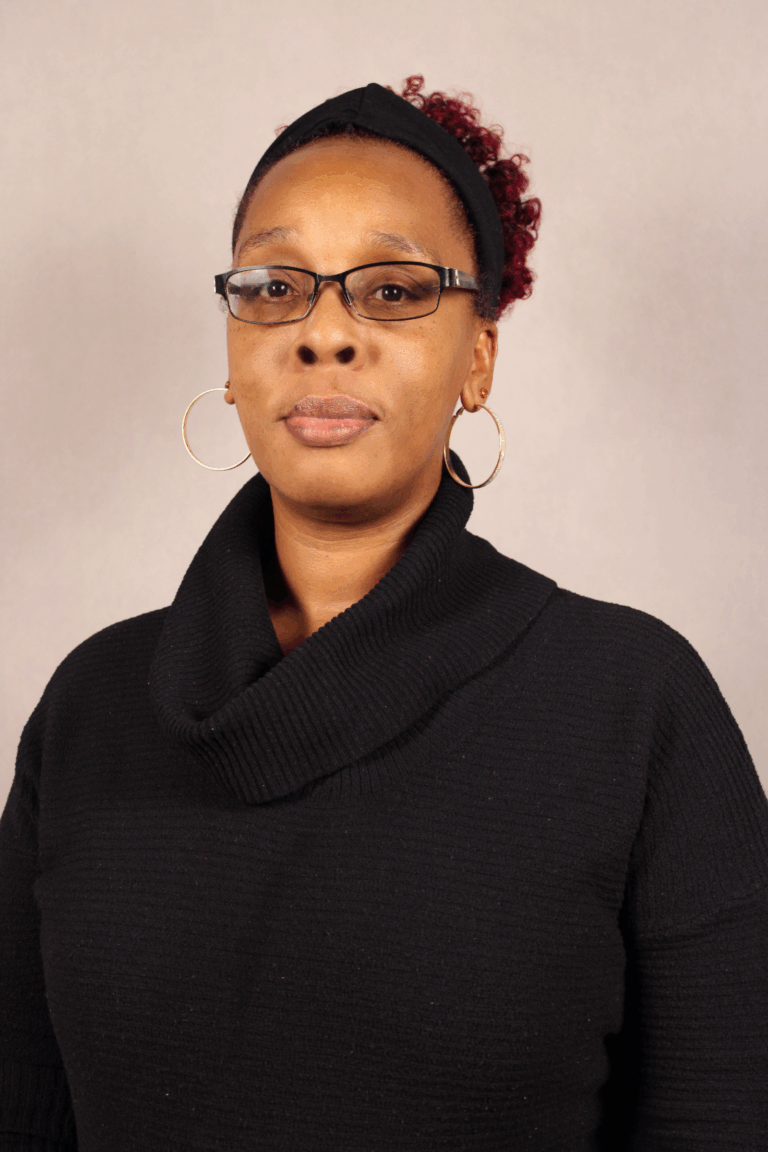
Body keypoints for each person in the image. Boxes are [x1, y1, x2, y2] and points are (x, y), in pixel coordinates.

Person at [1, 76, 767, 1152]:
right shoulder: (90, 709)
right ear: (232, 353)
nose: (323, 334)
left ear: (481, 357)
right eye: (274, 286)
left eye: (396, 290)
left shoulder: (637, 708)